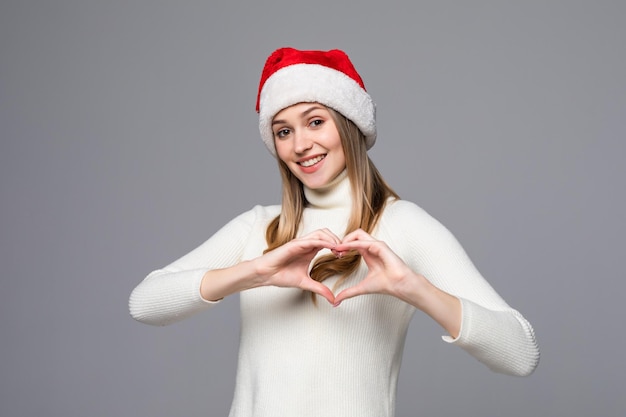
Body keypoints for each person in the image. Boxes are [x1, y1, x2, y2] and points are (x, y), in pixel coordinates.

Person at [129, 47, 540, 417]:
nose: (301, 144)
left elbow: (521, 353)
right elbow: (145, 303)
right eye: (284, 130)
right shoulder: (260, 227)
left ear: (349, 126)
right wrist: (254, 272)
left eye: (315, 122)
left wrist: (414, 289)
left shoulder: (401, 226)